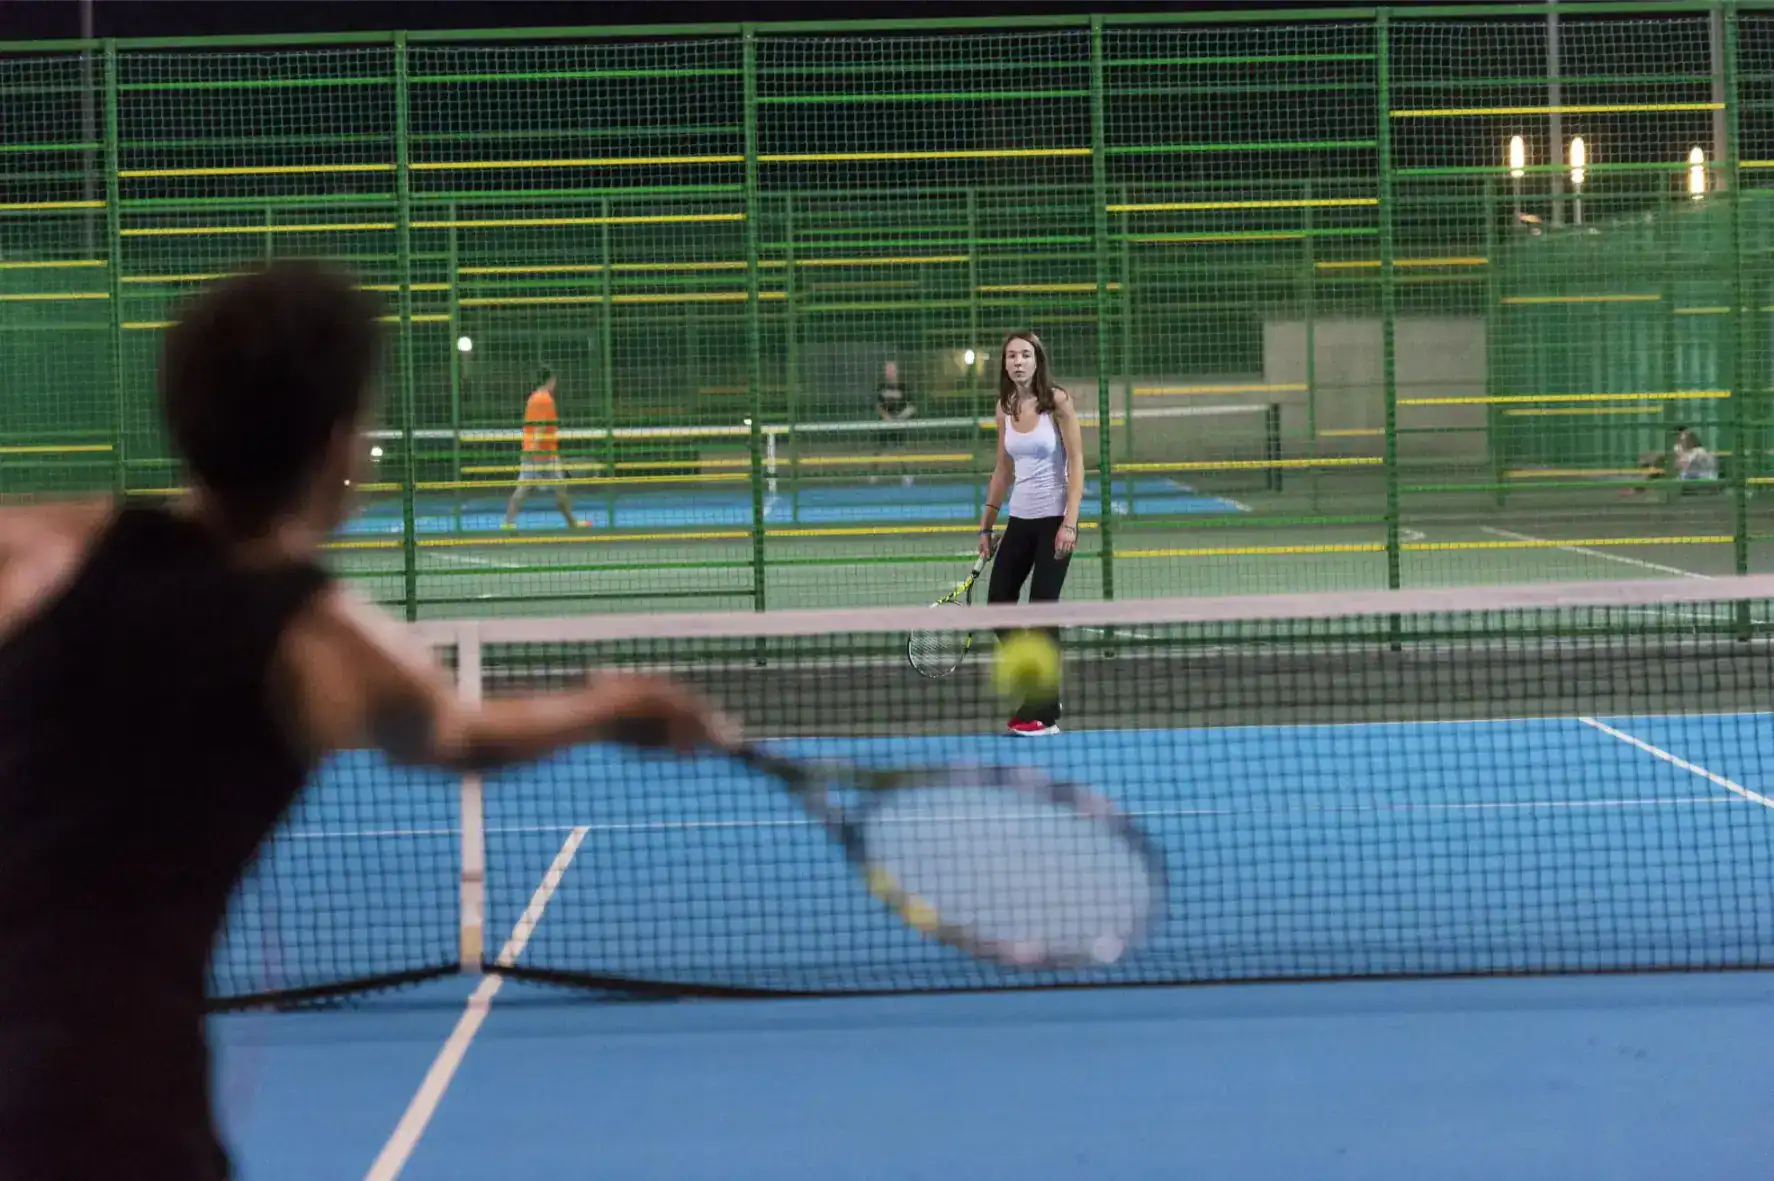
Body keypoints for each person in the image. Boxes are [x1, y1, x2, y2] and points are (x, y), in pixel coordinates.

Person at [0, 261, 729, 1179]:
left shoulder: (34, 555)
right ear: (339, 444)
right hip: (109, 1117)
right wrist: (618, 709)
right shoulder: (323, 646)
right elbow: (465, 738)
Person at [975, 331, 1085, 737]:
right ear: (1004, 364)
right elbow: (1003, 471)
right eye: (1011, 356)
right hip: (1019, 521)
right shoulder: (1003, 408)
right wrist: (987, 525)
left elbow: (1076, 464)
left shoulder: (1057, 401)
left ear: (1037, 359)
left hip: (1055, 520)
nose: (1018, 362)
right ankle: (1042, 692)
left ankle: (1045, 711)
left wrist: (1069, 522)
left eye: (1025, 354)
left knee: (1042, 612)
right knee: (999, 609)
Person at [502, 367, 588, 530]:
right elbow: (540, 426)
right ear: (551, 380)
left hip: (544, 451)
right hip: (540, 453)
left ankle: (571, 522)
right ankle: (508, 522)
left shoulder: (534, 397)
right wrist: (535, 451)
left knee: (559, 487)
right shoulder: (544, 399)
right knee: (525, 488)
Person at [872, 359, 916, 486]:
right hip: (885, 423)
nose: (889, 372)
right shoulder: (881, 387)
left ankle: (906, 474)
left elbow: (912, 407)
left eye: (892, 369)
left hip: (899, 424)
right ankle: (875, 474)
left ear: (896, 371)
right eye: (887, 370)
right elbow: (877, 406)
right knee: (880, 449)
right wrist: (886, 417)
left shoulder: (903, 387)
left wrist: (900, 417)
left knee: (901, 449)